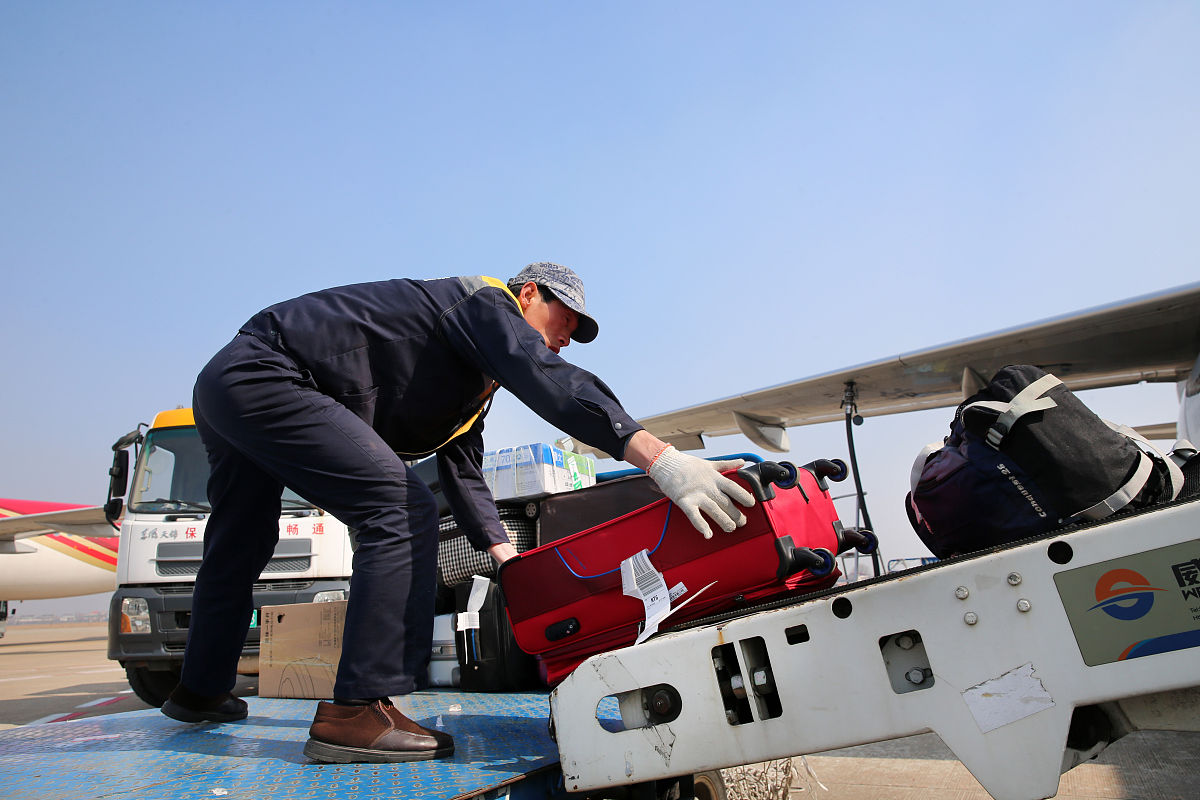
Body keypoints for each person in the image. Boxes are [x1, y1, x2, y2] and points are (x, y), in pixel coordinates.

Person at [161, 262, 754, 763]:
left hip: (227, 386)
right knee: (398, 506)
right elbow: (547, 377)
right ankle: (355, 711)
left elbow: (465, 472)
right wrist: (660, 458)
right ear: (528, 295)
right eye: (563, 321)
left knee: (240, 541)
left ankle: (200, 689)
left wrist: (508, 559)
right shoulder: (483, 303)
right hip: (268, 373)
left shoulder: (471, 386)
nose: (564, 339)